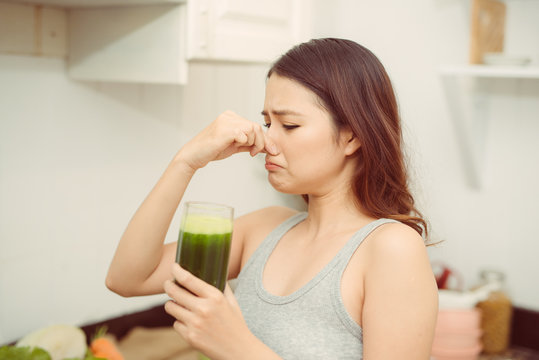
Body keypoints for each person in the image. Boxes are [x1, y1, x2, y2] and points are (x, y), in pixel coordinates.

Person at [106, 38, 438, 359]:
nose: (267, 140)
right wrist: (187, 160)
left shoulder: (391, 248)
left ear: (351, 135)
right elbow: (127, 278)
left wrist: (238, 347)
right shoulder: (264, 229)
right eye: (267, 122)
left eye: (289, 125)